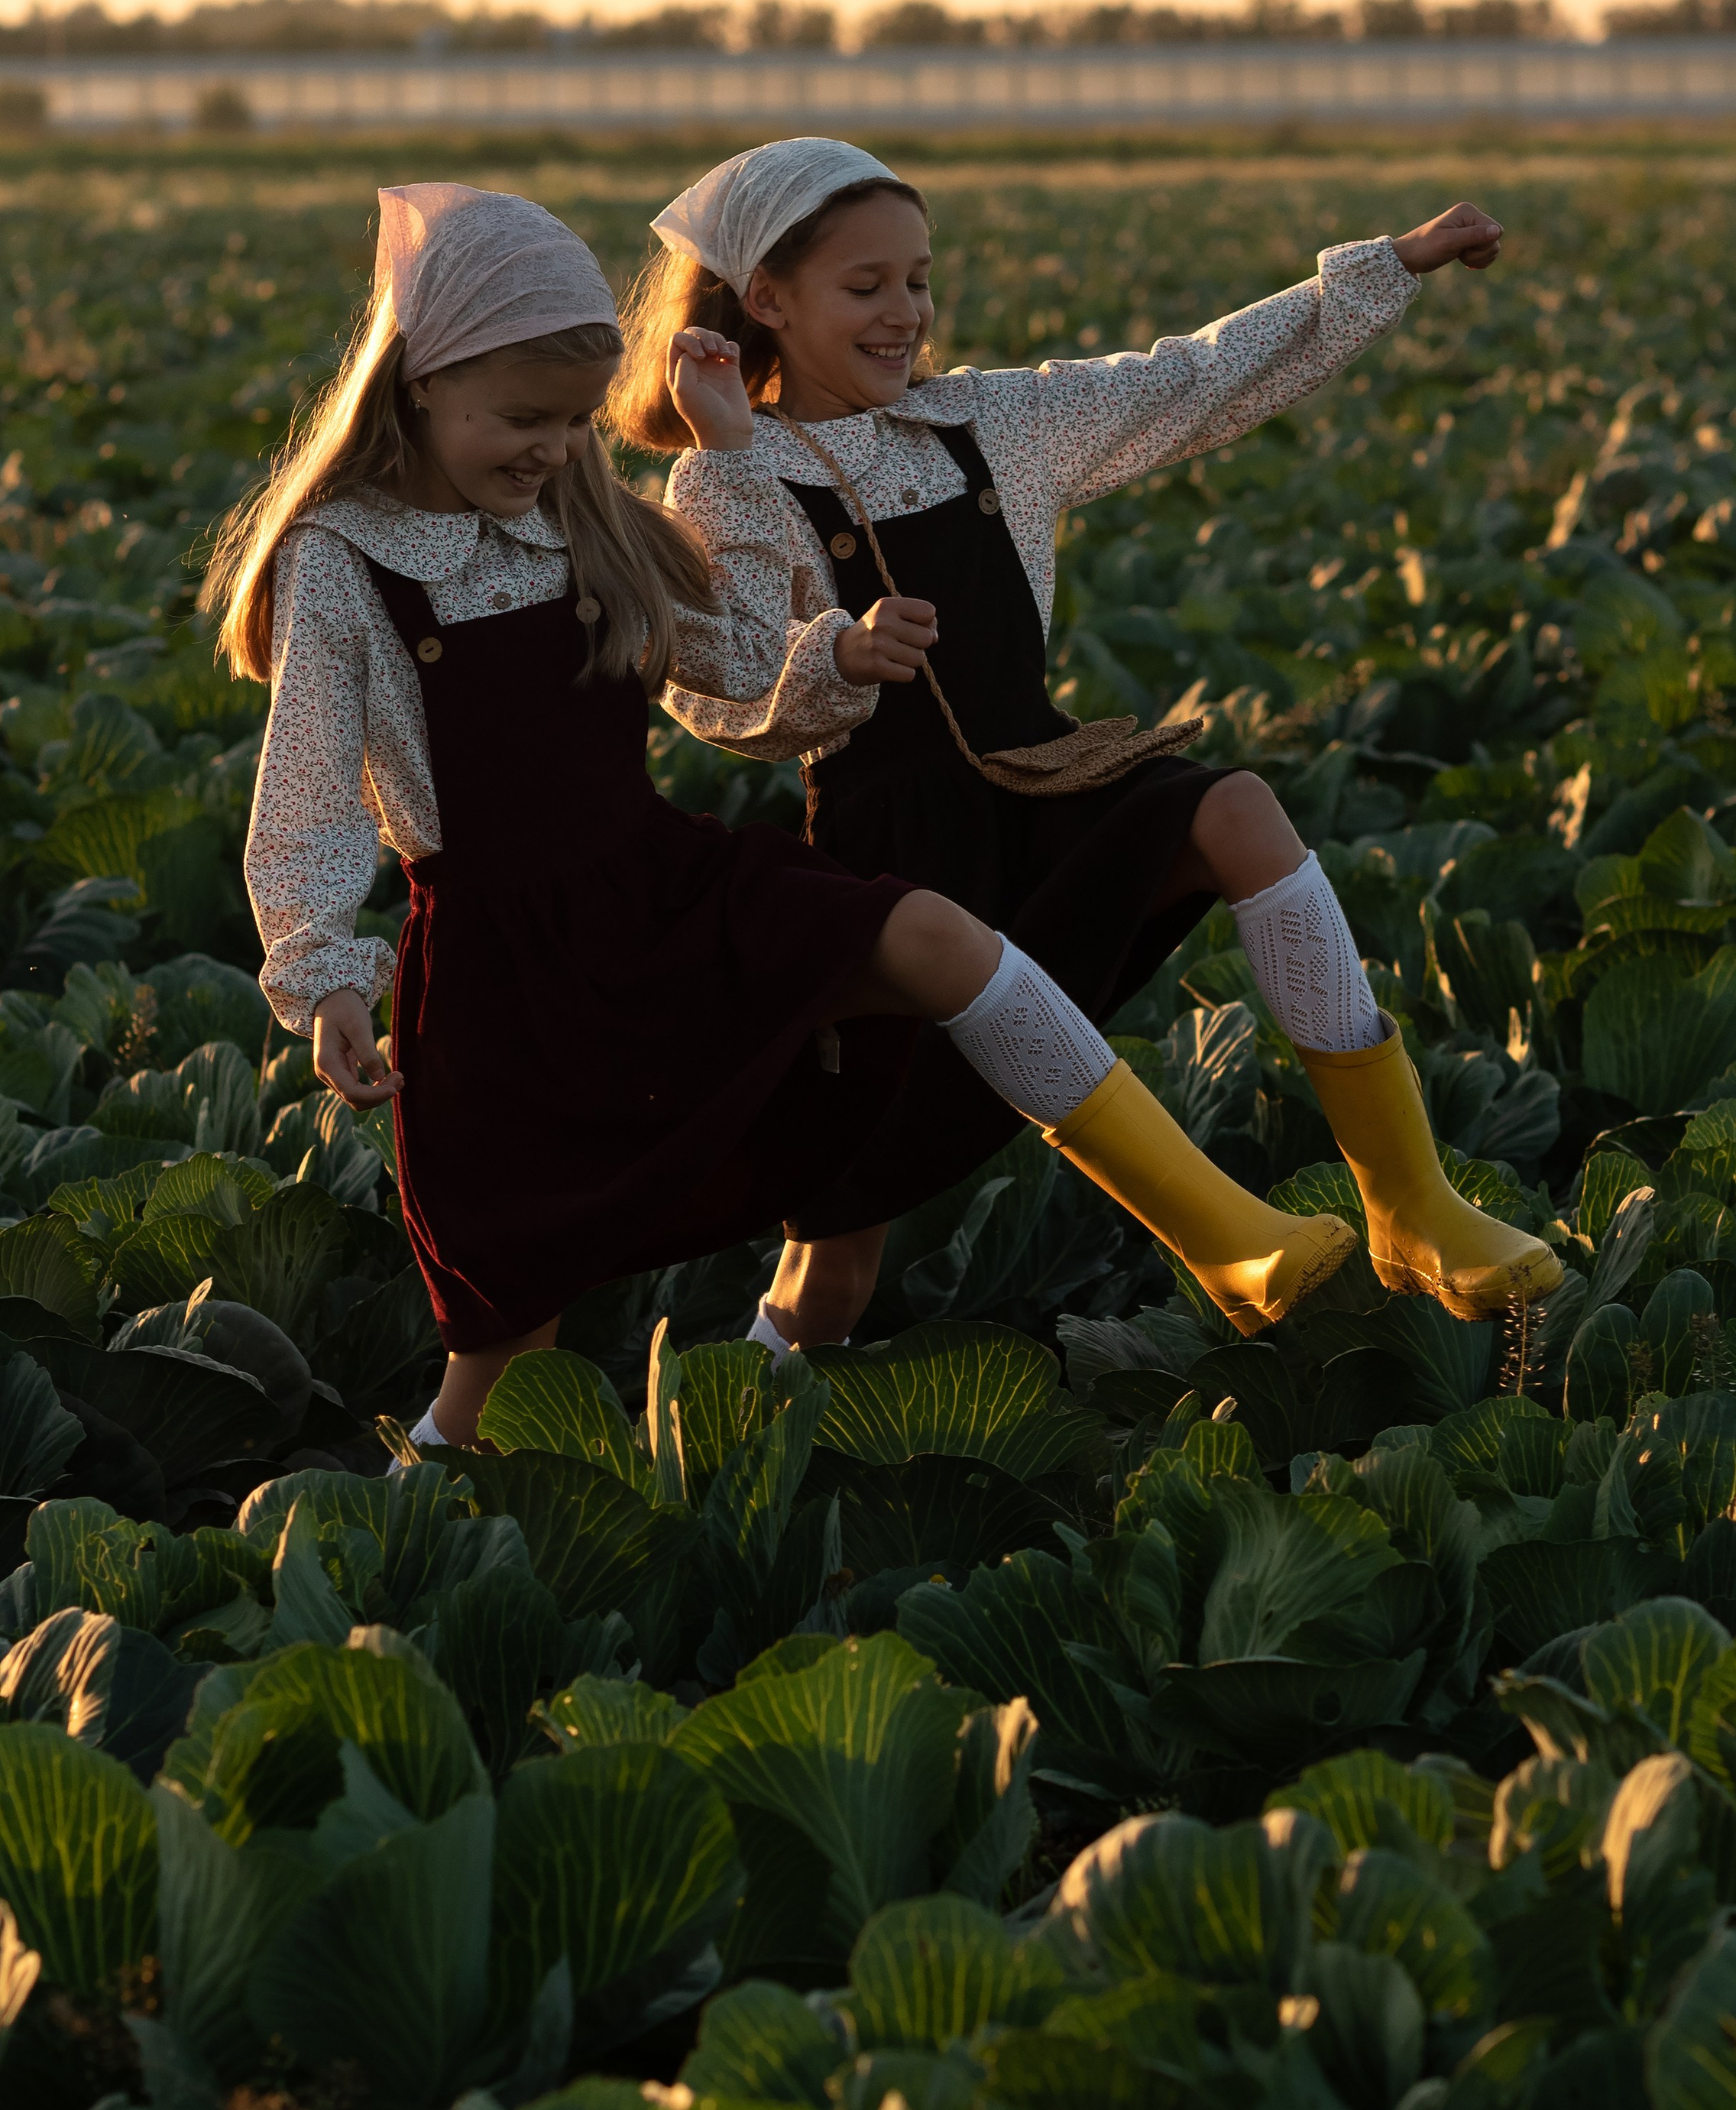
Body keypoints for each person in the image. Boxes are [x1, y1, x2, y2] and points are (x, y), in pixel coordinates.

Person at [207, 181, 1368, 1446]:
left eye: (573, 423)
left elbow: (742, 658)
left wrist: (825, 631)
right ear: (422, 381)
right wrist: (321, 974)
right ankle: (419, 1528)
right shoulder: (345, 559)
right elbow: (313, 781)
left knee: (942, 943)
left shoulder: (585, 520)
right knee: (500, 1359)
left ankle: (1227, 1235)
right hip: (508, 967)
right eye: (519, 420)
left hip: (664, 889)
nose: (548, 450)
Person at [618, 138, 1563, 1356]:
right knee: (837, 1251)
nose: (906, 313)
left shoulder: (995, 419)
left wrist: (1387, 268)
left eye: (919, 280)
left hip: (1047, 784)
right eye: (868, 287)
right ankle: (742, 1423)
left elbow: (1194, 378)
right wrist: (828, 638)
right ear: (767, 301)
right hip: (895, 858)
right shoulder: (724, 478)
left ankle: (1402, 1205)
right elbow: (721, 683)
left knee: (1235, 810)